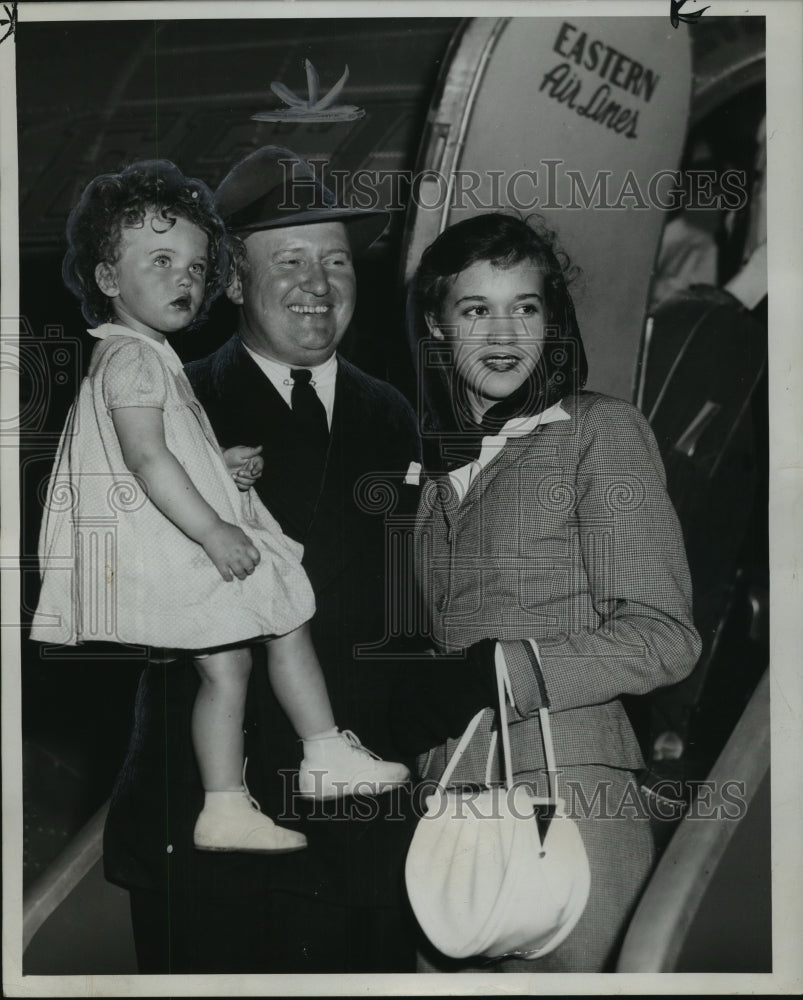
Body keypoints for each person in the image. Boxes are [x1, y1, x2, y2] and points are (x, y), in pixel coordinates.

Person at [30, 159, 409, 861]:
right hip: (177, 556)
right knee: (283, 601)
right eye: (162, 261)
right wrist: (212, 525)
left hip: (366, 841)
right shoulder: (142, 362)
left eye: (193, 267)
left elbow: (159, 450)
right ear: (108, 279)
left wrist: (219, 469)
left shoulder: (392, 409)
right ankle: (321, 749)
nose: (184, 279)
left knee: (227, 668)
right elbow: (147, 459)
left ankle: (227, 804)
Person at [102, 147, 423, 973]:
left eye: (337, 262)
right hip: (212, 820)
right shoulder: (168, 401)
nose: (318, 284)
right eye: (289, 260)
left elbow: (409, 607)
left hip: (360, 829)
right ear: (235, 284)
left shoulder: (395, 414)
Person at [394, 212, 702, 973]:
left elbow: (664, 635)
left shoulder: (600, 431)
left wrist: (501, 670)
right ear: (436, 326)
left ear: (550, 321)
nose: (503, 334)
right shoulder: (425, 468)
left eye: (524, 308)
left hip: (570, 792)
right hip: (443, 800)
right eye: (475, 310)